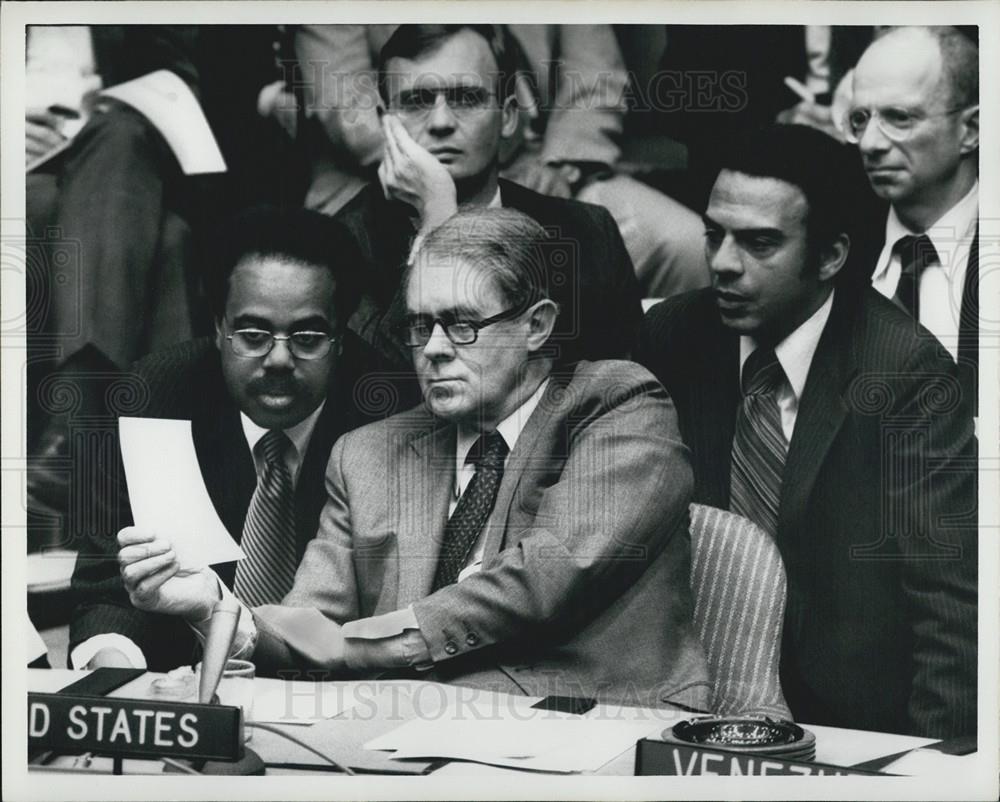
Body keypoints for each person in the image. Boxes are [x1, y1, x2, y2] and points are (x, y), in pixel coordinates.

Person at [117, 207, 710, 708]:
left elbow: (547, 575)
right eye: (420, 325)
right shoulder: (368, 453)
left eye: (461, 324)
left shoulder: (619, 405)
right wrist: (219, 609)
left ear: (537, 325)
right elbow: (308, 627)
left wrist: (361, 647)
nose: (433, 350)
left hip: (592, 725)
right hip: (401, 737)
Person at [637, 125, 977, 738]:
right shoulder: (673, 336)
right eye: (715, 235)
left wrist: (938, 764)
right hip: (684, 701)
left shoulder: (907, 373)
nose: (723, 263)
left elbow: (947, 602)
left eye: (759, 243)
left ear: (830, 256)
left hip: (849, 726)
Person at [69, 207, 382, 671]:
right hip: (183, 678)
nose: (279, 359)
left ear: (341, 338)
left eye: (307, 337)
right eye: (253, 335)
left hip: (340, 686)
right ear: (218, 327)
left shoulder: (386, 414)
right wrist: (116, 673)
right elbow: (109, 585)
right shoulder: (159, 397)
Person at [331, 24, 642, 376]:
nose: (441, 122)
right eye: (416, 102)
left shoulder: (589, 233)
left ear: (507, 117)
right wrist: (439, 222)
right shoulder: (343, 248)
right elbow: (400, 388)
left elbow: (624, 387)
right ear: (384, 121)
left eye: (466, 98)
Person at [849, 26, 979, 410]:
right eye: (860, 119)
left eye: (899, 117)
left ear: (971, 130)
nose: (870, 143)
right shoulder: (834, 249)